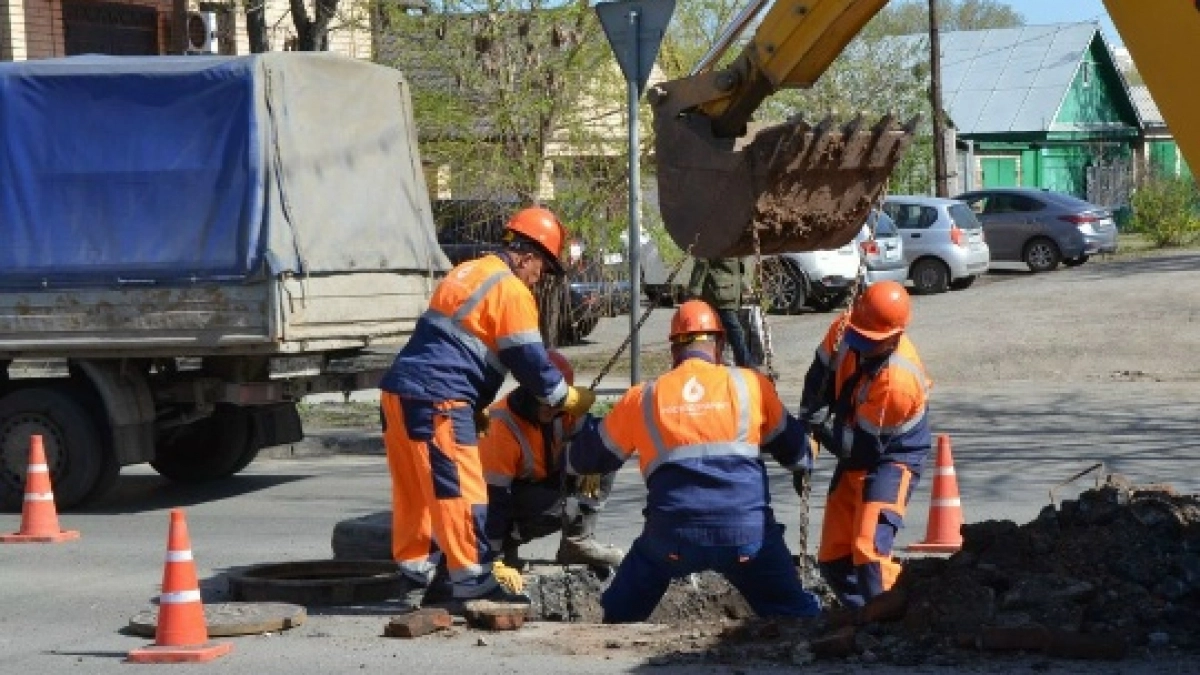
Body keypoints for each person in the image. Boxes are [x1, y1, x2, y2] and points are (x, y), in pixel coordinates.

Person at [379, 206, 598, 607]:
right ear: (527, 256)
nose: (540, 278)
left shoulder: (466, 272)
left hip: (400, 393)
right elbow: (530, 362)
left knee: (415, 493)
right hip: (440, 399)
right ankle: (472, 582)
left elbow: (449, 344)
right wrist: (565, 397)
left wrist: (477, 403)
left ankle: (417, 575)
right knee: (460, 491)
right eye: (543, 269)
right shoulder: (511, 290)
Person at [564, 299, 821, 623]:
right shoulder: (750, 386)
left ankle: (615, 629)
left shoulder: (644, 398)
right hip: (747, 539)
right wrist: (812, 446)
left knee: (619, 612)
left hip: (672, 539)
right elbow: (798, 454)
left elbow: (588, 459)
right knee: (798, 616)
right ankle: (813, 635)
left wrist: (566, 437)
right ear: (720, 344)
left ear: (674, 349)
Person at [798, 280, 932, 608]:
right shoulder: (847, 326)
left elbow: (859, 449)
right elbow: (819, 379)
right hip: (853, 437)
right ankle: (864, 617)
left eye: (869, 342)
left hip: (892, 453)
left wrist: (821, 429)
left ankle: (898, 618)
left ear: (893, 336)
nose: (858, 344)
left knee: (869, 550)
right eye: (857, 335)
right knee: (834, 557)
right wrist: (806, 431)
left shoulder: (897, 383)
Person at [479, 350, 623, 579]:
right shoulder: (501, 426)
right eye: (545, 402)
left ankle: (578, 543)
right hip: (510, 496)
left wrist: (594, 457)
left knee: (607, 456)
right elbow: (493, 499)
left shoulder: (563, 409)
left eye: (558, 403)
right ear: (527, 392)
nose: (552, 409)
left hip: (543, 482)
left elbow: (598, 435)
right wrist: (490, 559)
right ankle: (505, 547)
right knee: (567, 507)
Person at [687, 256, 757, 367]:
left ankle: (717, 361)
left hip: (731, 293)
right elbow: (702, 261)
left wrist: (744, 284)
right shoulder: (715, 240)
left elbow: (738, 266)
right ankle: (748, 365)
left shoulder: (734, 241)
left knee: (723, 333)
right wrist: (694, 291)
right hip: (719, 294)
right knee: (735, 331)